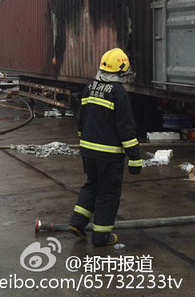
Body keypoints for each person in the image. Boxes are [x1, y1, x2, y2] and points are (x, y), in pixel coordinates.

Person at [68, 48, 142, 247]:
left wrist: (83, 141)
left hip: (88, 152)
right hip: (109, 156)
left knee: (92, 185)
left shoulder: (89, 87)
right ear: (120, 72)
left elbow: (81, 118)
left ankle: (77, 222)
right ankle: (101, 236)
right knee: (108, 193)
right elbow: (126, 129)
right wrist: (135, 159)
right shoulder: (119, 94)